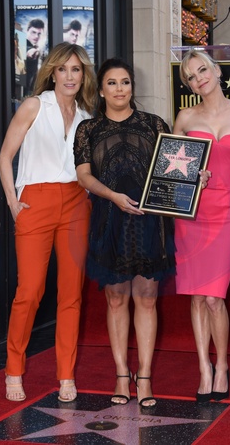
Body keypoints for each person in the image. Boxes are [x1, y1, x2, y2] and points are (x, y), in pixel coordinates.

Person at [74, 58, 175, 408]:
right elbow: (84, 176)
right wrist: (113, 196)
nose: (120, 89)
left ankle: (144, 376)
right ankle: (121, 374)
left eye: (126, 82)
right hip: (109, 220)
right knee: (116, 299)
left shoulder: (154, 124)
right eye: (112, 83)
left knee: (146, 298)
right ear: (101, 90)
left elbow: (172, 173)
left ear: (132, 86)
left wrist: (196, 179)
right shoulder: (88, 129)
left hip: (149, 221)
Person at [0, 43, 96, 402]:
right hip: (35, 201)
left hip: (76, 203)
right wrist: (13, 202)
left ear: (83, 75)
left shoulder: (87, 117)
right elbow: (5, 156)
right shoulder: (34, 106)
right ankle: (13, 369)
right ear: (52, 73)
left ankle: (66, 374)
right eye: (63, 69)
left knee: (71, 294)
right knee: (30, 291)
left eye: (76, 69)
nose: (70, 76)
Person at [173, 49, 230, 402]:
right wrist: (192, 175)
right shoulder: (185, 116)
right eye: (191, 77)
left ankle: (222, 366)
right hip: (192, 215)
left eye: (202, 70)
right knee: (196, 295)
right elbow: (170, 173)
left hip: (228, 211)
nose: (199, 78)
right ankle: (204, 368)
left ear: (217, 70)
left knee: (214, 297)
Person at [25, 18, 45, 93]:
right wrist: (32, 52)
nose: (36, 36)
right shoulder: (24, 45)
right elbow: (28, 51)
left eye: (39, 34)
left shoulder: (36, 47)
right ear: (27, 31)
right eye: (33, 32)